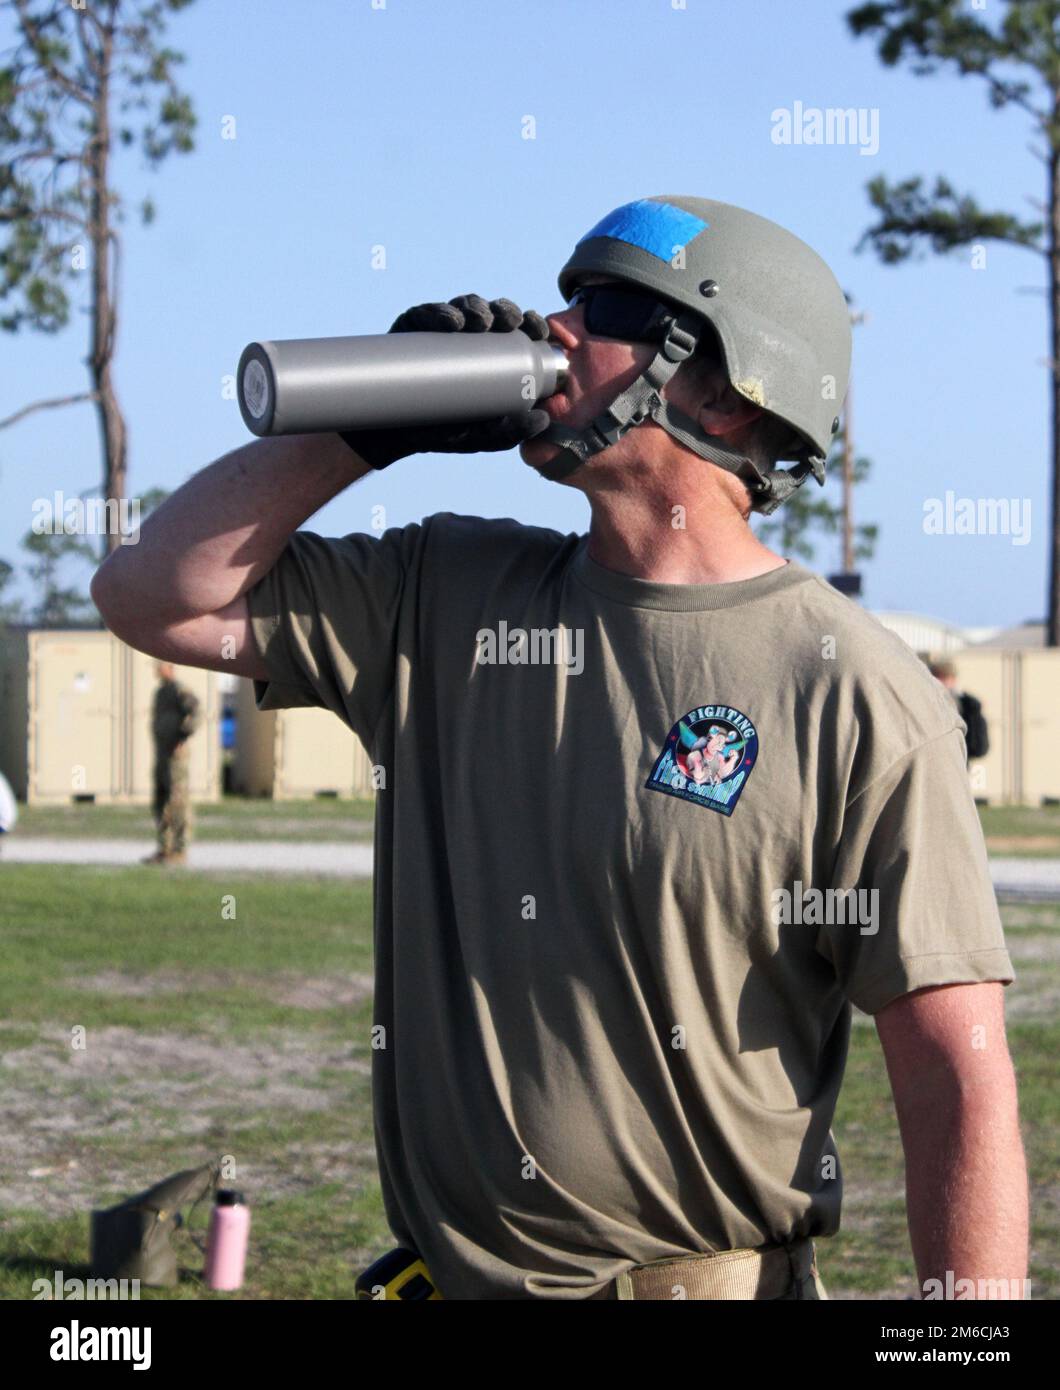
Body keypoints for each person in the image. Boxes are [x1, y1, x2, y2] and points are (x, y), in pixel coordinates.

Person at [90, 195, 1026, 1302]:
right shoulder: (444, 594)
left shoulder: (854, 691)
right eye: (568, 297)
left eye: (612, 308)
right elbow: (153, 593)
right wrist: (360, 429)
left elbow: (953, 1075)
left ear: (723, 388)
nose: (556, 326)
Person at [142, 660, 200, 866]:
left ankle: (179, 849)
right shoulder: (161, 692)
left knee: (177, 802)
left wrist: (183, 736)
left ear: (170, 667)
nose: (157, 670)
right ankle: (164, 848)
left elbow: (195, 710)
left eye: (161, 665)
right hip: (162, 754)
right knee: (161, 800)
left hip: (176, 757)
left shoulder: (179, 689)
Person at [928, 658, 990, 760]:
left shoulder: (968, 706)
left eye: (945, 678)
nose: (941, 683)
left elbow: (979, 748)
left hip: (959, 765)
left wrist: (974, 713)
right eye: (938, 677)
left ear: (953, 680)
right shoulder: (926, 703)